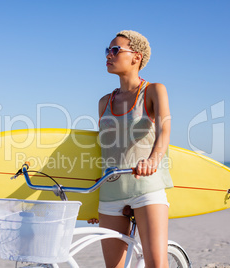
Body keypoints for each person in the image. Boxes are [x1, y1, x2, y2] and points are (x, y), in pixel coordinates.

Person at [88, 30, 174, 268]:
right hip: (110, 192)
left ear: (136, 57)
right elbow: (104, 148)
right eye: (107, 50)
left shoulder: (154, 90)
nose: (108, 55)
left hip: (146, 187)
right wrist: (93, 195)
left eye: (115, 50)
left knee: (156, 264)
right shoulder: (104, 102)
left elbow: (164, 130)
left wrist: (153, 160)